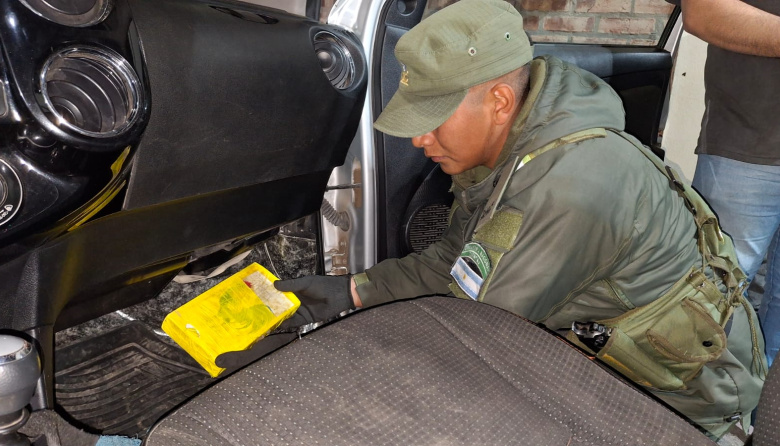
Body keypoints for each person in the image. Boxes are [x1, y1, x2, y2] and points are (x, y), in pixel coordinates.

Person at [218, 0, 766, 438]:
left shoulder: (567, 183)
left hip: (677, 405)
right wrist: (348, 292)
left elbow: (478, 340)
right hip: (607, 357)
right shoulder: (513, 154)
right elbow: (454, 268)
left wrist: (317, 369)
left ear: (500, 101)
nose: (418, 138)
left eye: (433, 119)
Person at [672, 0, 780, 369]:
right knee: (711, 302)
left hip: (749, 143)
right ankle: (692, 419)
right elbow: (705, 11)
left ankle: (763, 421)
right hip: (749, 142)